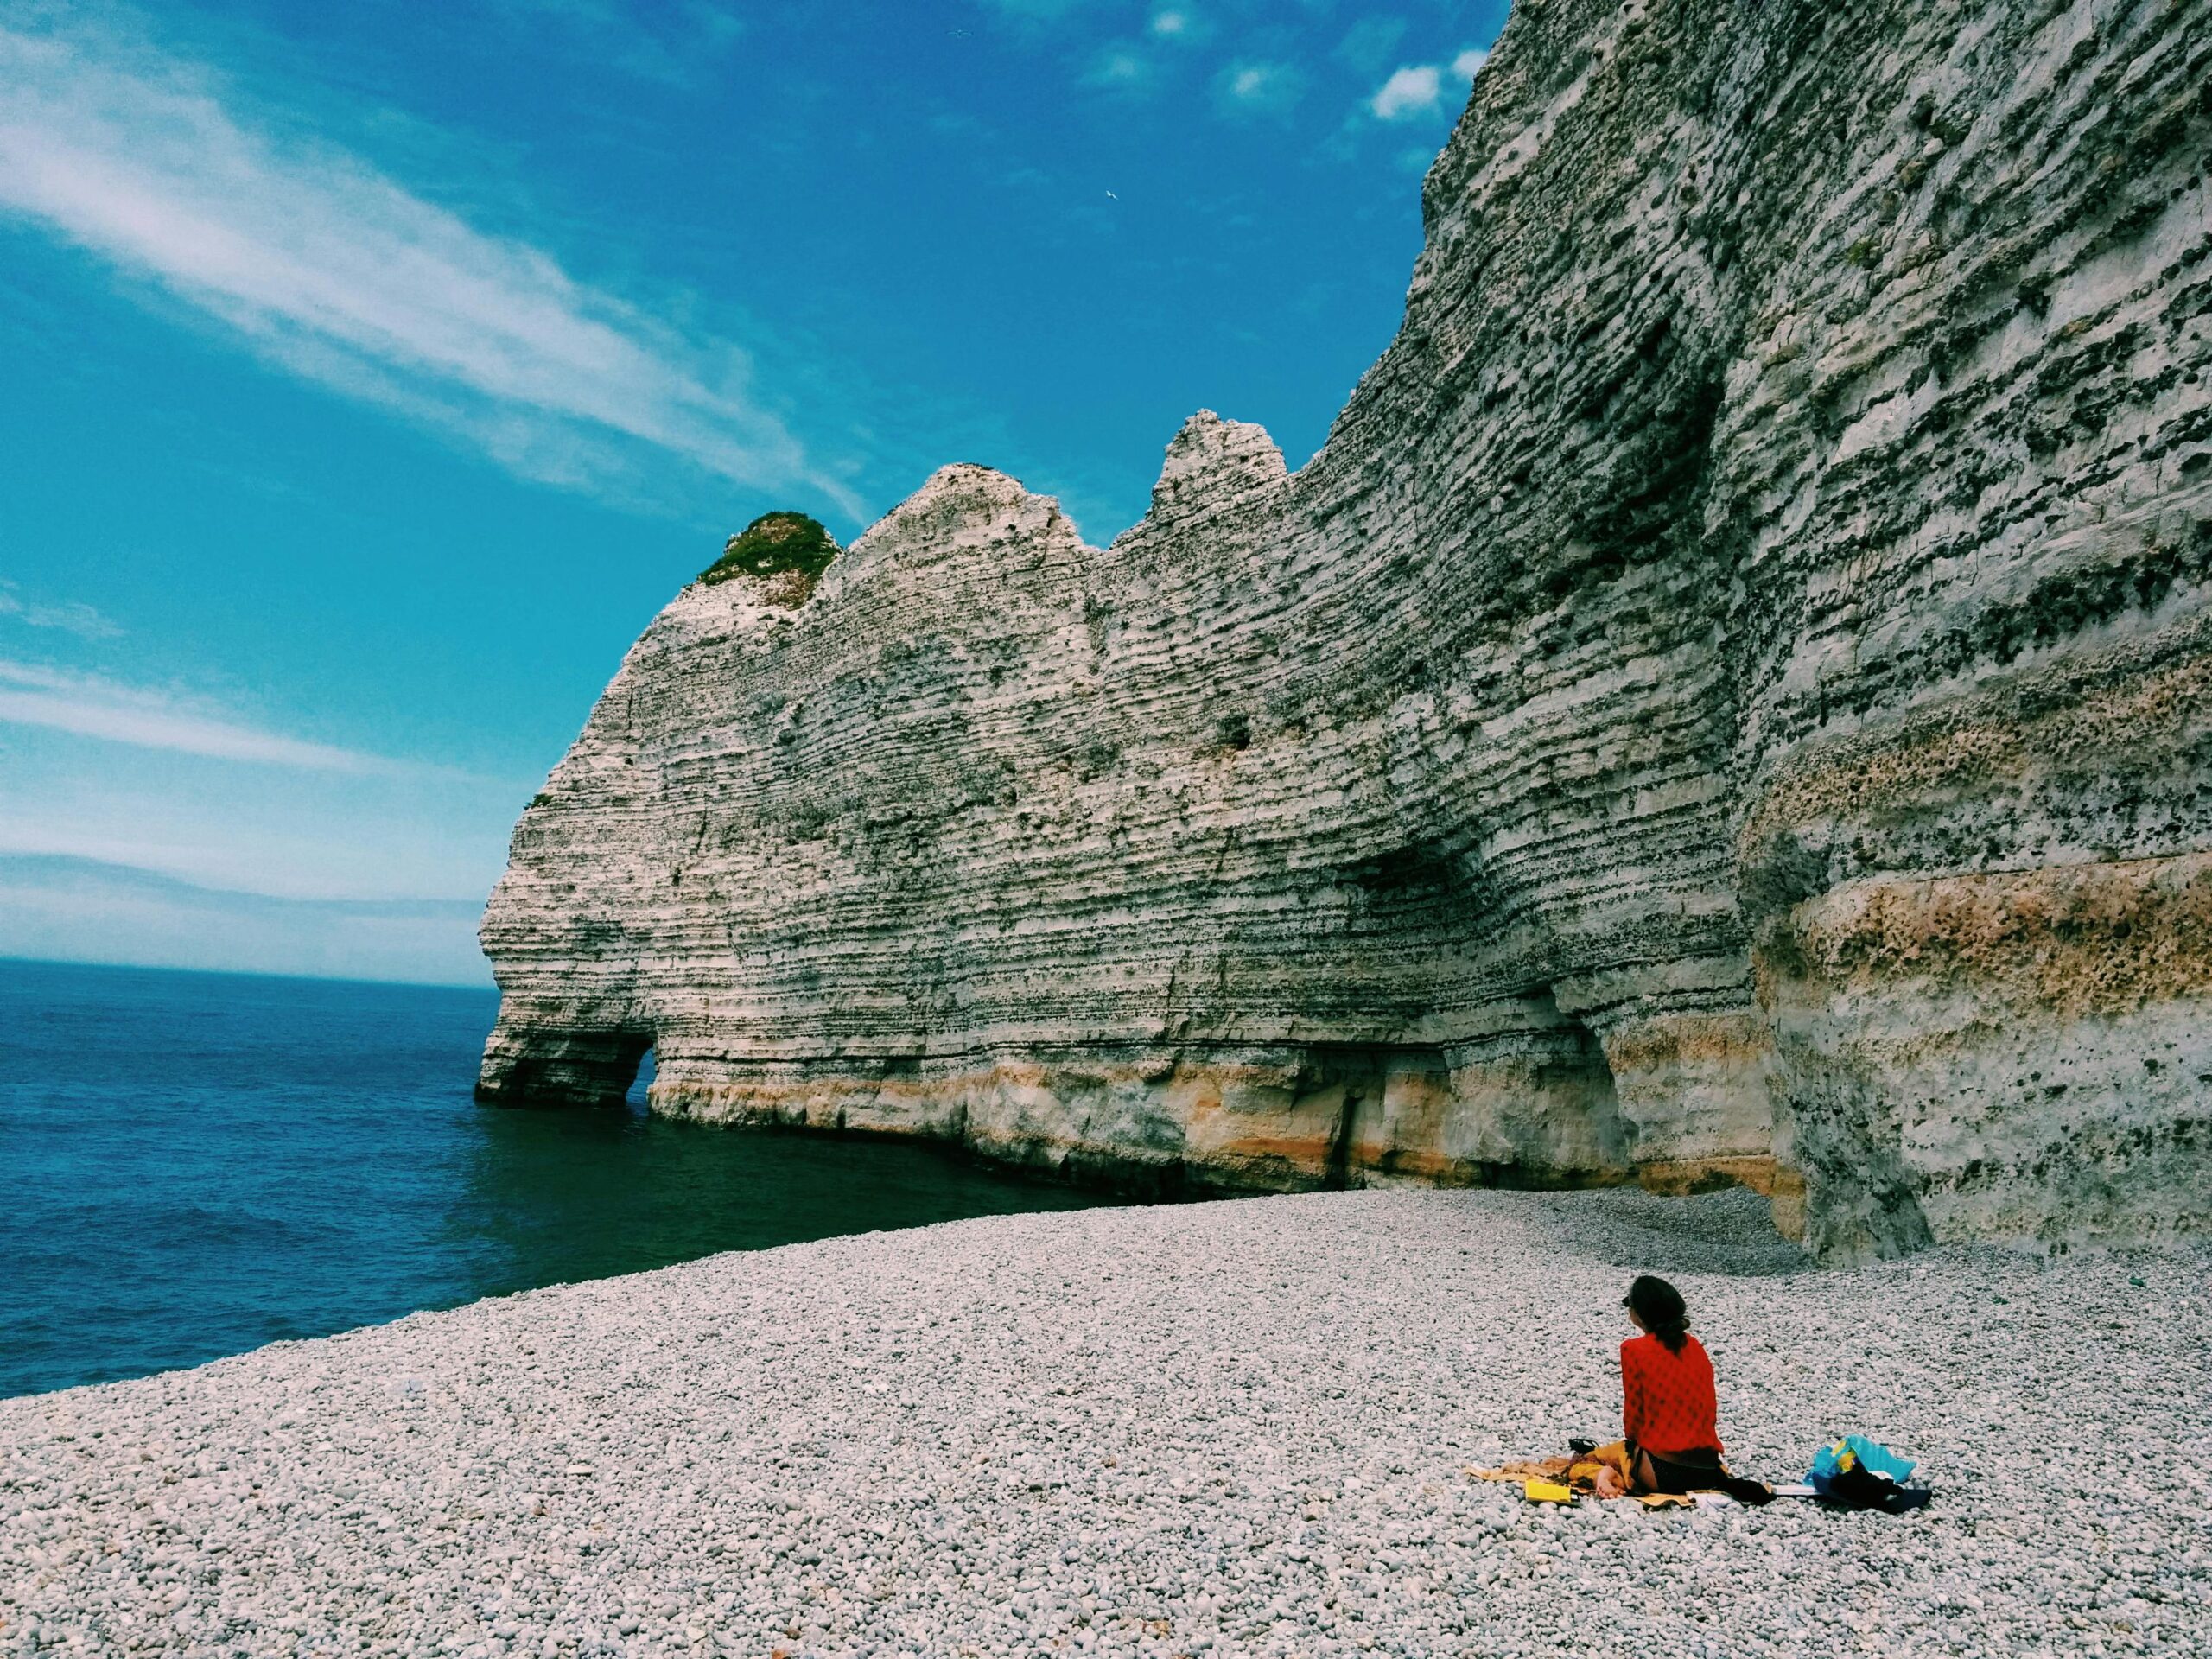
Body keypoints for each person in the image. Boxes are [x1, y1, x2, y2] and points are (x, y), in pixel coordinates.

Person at [1618, 1274, 1771, 1505]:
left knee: (1604, 1458)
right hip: (1708, 1469)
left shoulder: (1634, 1349)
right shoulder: (1694, 1346)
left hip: (1662, 1470)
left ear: (1638, 1313)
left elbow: (1634, 1416)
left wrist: (1633, 1444)